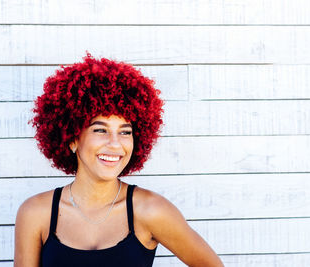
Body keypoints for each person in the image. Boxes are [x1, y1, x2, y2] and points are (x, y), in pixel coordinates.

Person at [14, 53, 224, 267]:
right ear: (72, 138)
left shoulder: (151, 210)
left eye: (125, 132)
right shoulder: (35, 213)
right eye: (100, 129)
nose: (115, 144)